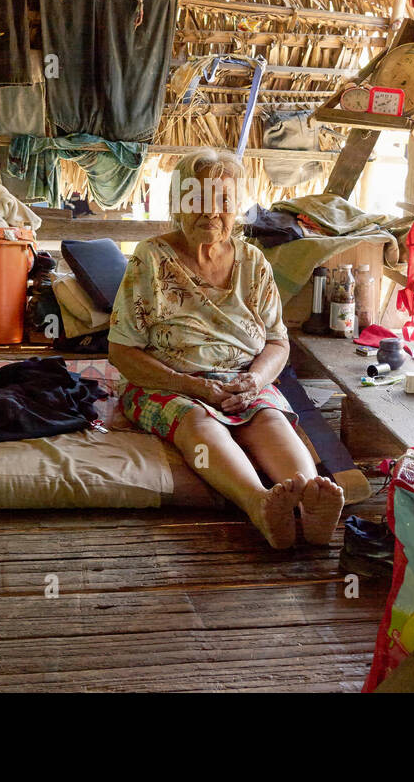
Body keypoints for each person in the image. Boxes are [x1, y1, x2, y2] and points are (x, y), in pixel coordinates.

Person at [108, 148, 345, 548]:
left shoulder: (253, 262)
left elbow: (276, 341)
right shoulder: (151, 259)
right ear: (179, 205)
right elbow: (121, 352)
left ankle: (308, 502)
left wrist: (254, 381)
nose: (211, 212)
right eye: (197, 199)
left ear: (238, 208)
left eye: (223, 201)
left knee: (269, 417)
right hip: (170, 382)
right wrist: (196, 387)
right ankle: (260, 505)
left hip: (242, 380)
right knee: (199, 423)